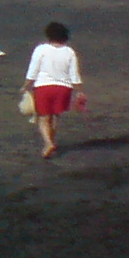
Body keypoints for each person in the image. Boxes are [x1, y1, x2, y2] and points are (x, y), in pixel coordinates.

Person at [20, 21, 85, 160]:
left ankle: (48, 143)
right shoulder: (69, 52)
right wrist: (79, 90)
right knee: (55, 116)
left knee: (43, 118)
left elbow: (33, 71)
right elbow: (74, 75)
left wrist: (26, 86)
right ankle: (52, 142)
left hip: (44, 87)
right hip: (63, 89)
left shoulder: (41, 49)